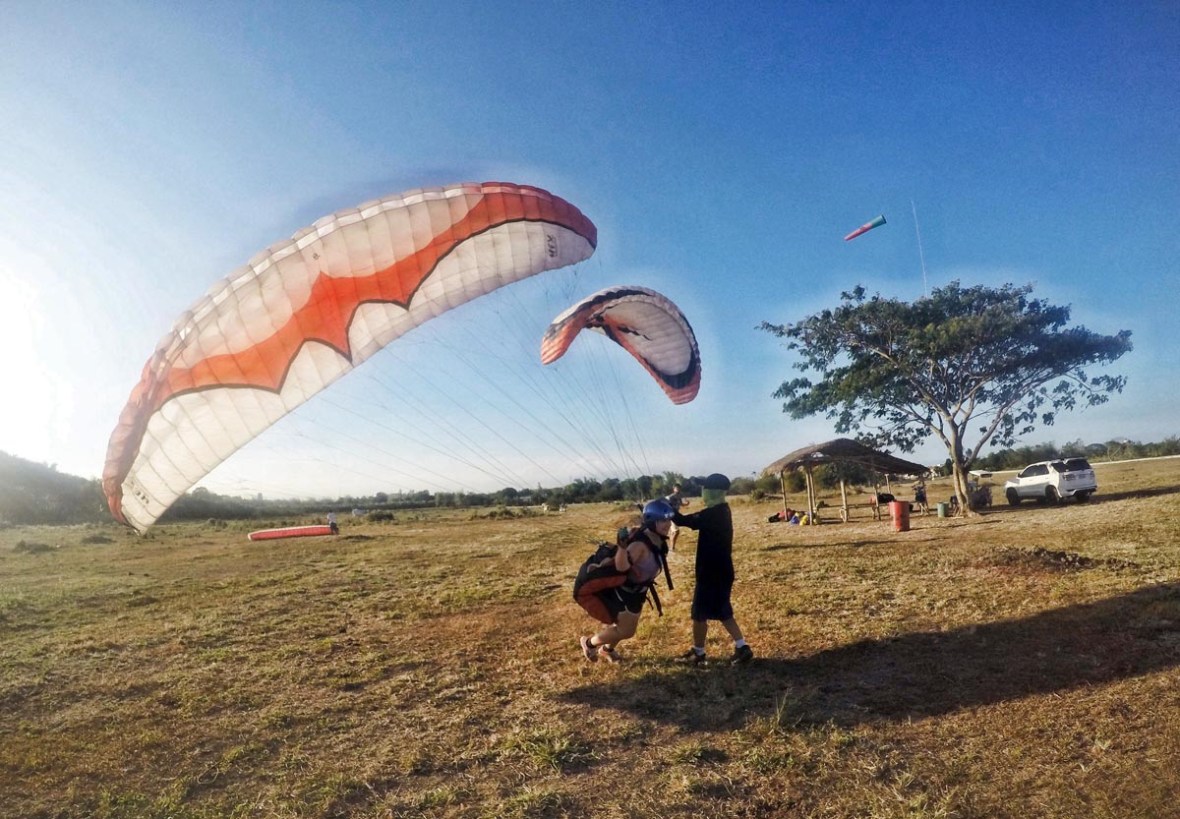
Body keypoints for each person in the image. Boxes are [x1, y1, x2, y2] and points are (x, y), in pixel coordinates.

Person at [671, 473, 754, 665]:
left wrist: (666, 508)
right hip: (723, 570)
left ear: (713, 491)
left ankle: (698, 653)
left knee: (699, 613)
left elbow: (683, 521)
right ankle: (742, 647)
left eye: (705, 489)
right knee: (723, 611)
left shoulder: (712, 514)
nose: (703, 492)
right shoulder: (722, 511)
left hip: (710, 572)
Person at [579, 499, 674, 664]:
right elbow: (621, 567)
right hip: (626, 591)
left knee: (623, 627)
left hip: (638, 591)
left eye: (668, 519)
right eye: (662, 520)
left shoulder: (657, 538)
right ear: (652, 521)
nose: (667, 524)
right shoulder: (640, 544)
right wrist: (622, 548)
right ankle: (589, 643)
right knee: (626, 631)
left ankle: (607, 649)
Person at [664, 484, 687, 550]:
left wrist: (686, 504)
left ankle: (671, 548)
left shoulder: (679, 496)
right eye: (676, 488)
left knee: (673, 532)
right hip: (671, 515)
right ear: (673, 489)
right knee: (676, 531)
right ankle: (672, 548)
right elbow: (665, 503)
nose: (678, 489)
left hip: (676, 515)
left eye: (679, 488)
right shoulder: (671, 497)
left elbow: (681, 504)